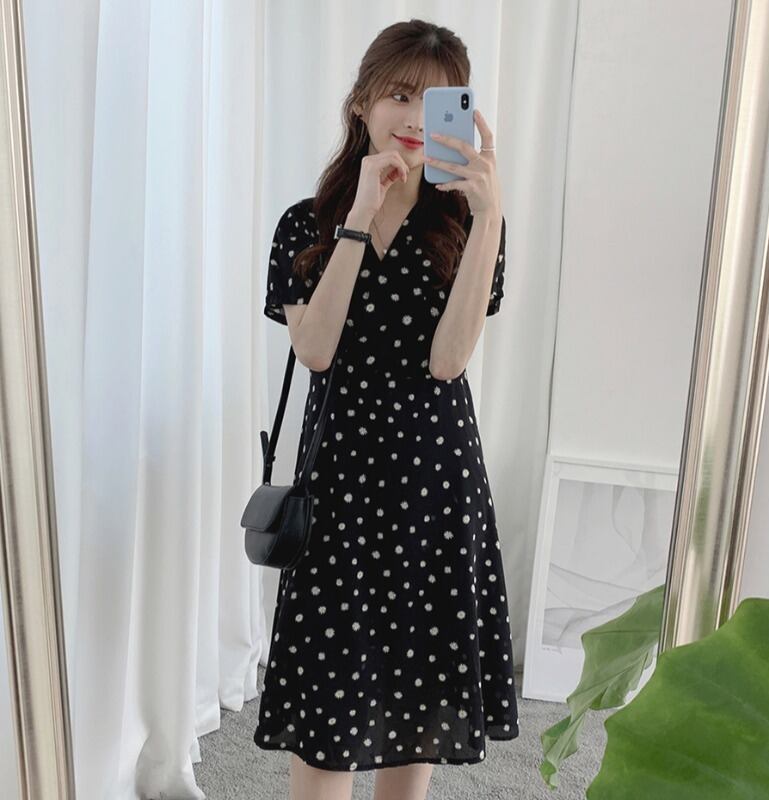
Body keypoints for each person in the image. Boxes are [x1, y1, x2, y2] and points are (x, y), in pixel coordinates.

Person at [255, 18, 518, 800]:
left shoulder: (468, 225)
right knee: (328, 719)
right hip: (339, 488)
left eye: (435, 102)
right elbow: (316, 350)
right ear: (362, 102)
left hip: (435, 486)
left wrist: (490, 217)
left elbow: (448, 361)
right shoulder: (304, 223)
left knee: (417, 702)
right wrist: (357, 221)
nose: (412, 117)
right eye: (399, 95)